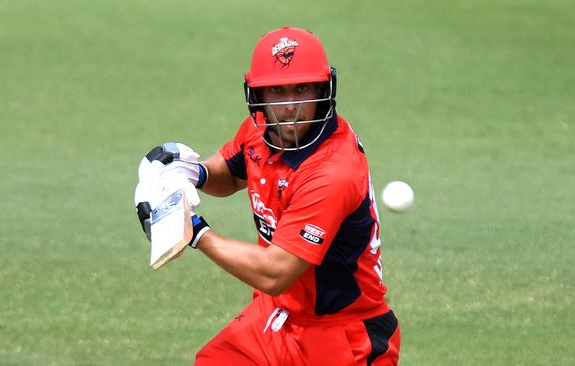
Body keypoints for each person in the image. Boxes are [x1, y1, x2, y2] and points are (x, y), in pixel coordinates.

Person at [136, 26, 400, 365]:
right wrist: (194, 174)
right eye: (277, 91)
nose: (290, 107)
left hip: (341, 337)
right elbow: (230, 173)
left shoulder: (332, 172)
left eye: (302, 89)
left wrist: (195, 231)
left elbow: (274, 273)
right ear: (257, 95)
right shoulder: (261, 131)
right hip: (276, 316)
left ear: (324, 88)